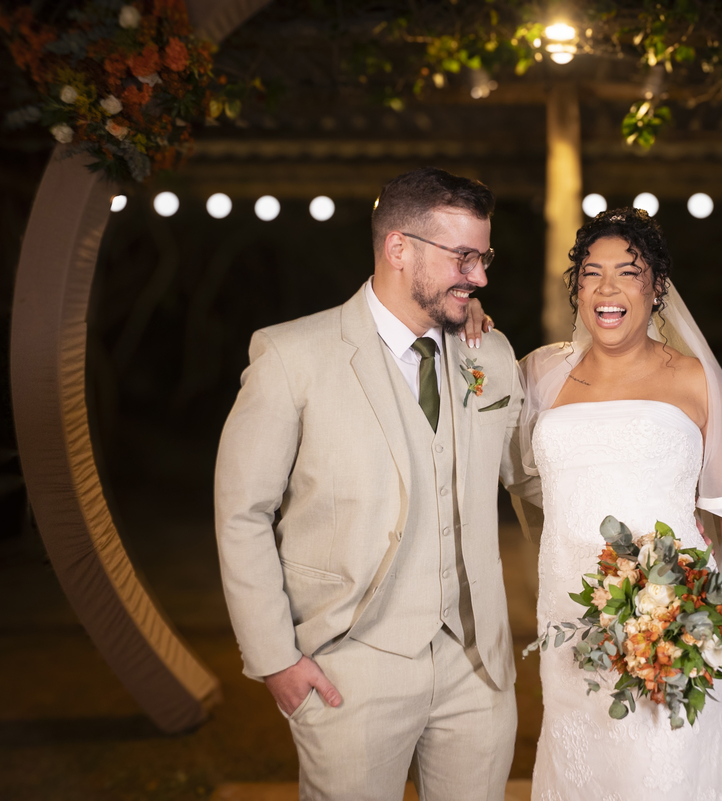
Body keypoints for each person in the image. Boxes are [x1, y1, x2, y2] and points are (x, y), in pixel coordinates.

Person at [214, 167, 532, 800]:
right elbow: (242, 513)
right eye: (463, 257)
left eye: (484, 257)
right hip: (349, 667)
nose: (479, 277)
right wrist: (276, 658)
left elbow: (534, 476)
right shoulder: (292, 357)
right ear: (398, 248)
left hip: (478, 670)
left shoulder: (489, 354)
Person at [513, 207, 722, 800]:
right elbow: (474, 406)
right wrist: (473, 330)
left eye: (627, 273)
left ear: (656, 287)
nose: (606, 289)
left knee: (667, 766)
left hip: (672, 611)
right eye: (591, 273)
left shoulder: (695, 378)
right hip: (568, 609)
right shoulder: (538, 375)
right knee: (584, 763)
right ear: (577, 289)